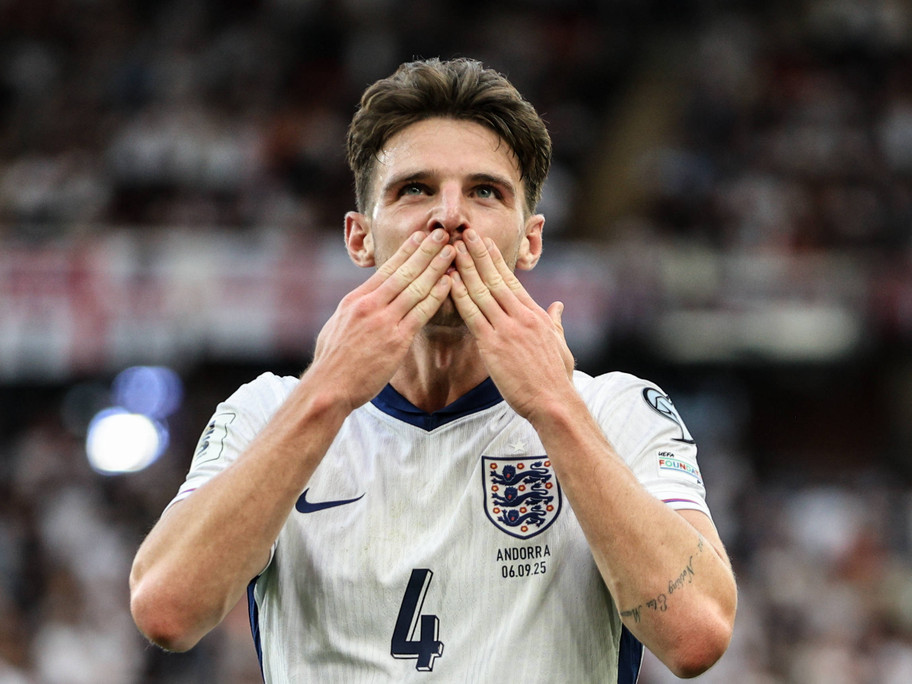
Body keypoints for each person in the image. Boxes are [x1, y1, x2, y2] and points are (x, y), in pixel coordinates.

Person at [129, 57, 737, 682]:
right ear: (359, 237)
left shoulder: (616, 411)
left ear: (530, 240)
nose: (450, 216)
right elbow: (167, 612)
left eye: (485, 191)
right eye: (414, 188)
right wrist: (328, 393)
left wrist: (554, 409)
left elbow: (696, 636)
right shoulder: (266, 412)